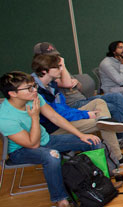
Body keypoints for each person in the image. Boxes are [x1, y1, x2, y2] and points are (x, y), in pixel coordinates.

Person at [0, 71, 102, 207]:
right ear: (13, 93)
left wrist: (81, 135)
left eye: (34, 85)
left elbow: (55, 117)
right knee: (51, 156)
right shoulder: (5, 117)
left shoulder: (34, 97)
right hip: (21, 150)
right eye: (29, 88)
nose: (34, 90)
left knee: (93, 141)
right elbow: (33, 144)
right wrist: (35, 117)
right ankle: (60, 199)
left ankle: (99, 182)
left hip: (45, 139)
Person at [34, 42, 123, 140]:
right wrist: (62, 66)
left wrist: (76, 82)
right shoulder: (47, 77)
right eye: (120, 47)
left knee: (117, 97)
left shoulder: (53, 77)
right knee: (112, 106)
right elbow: (121, 80)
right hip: (75, 105)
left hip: (82, 99)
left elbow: (78, 87)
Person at [32, 54, 123, 165]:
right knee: (104, 124)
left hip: (64, 117)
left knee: (99, 103)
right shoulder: (37, 91)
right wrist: (86, 114)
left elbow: (63, 108)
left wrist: (84, 113)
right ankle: (117, 157)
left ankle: (104, 121)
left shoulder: (50, 84)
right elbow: (57, 115)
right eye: (58, 67)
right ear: (44, 71)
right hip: (54, 128)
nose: (61, 69)